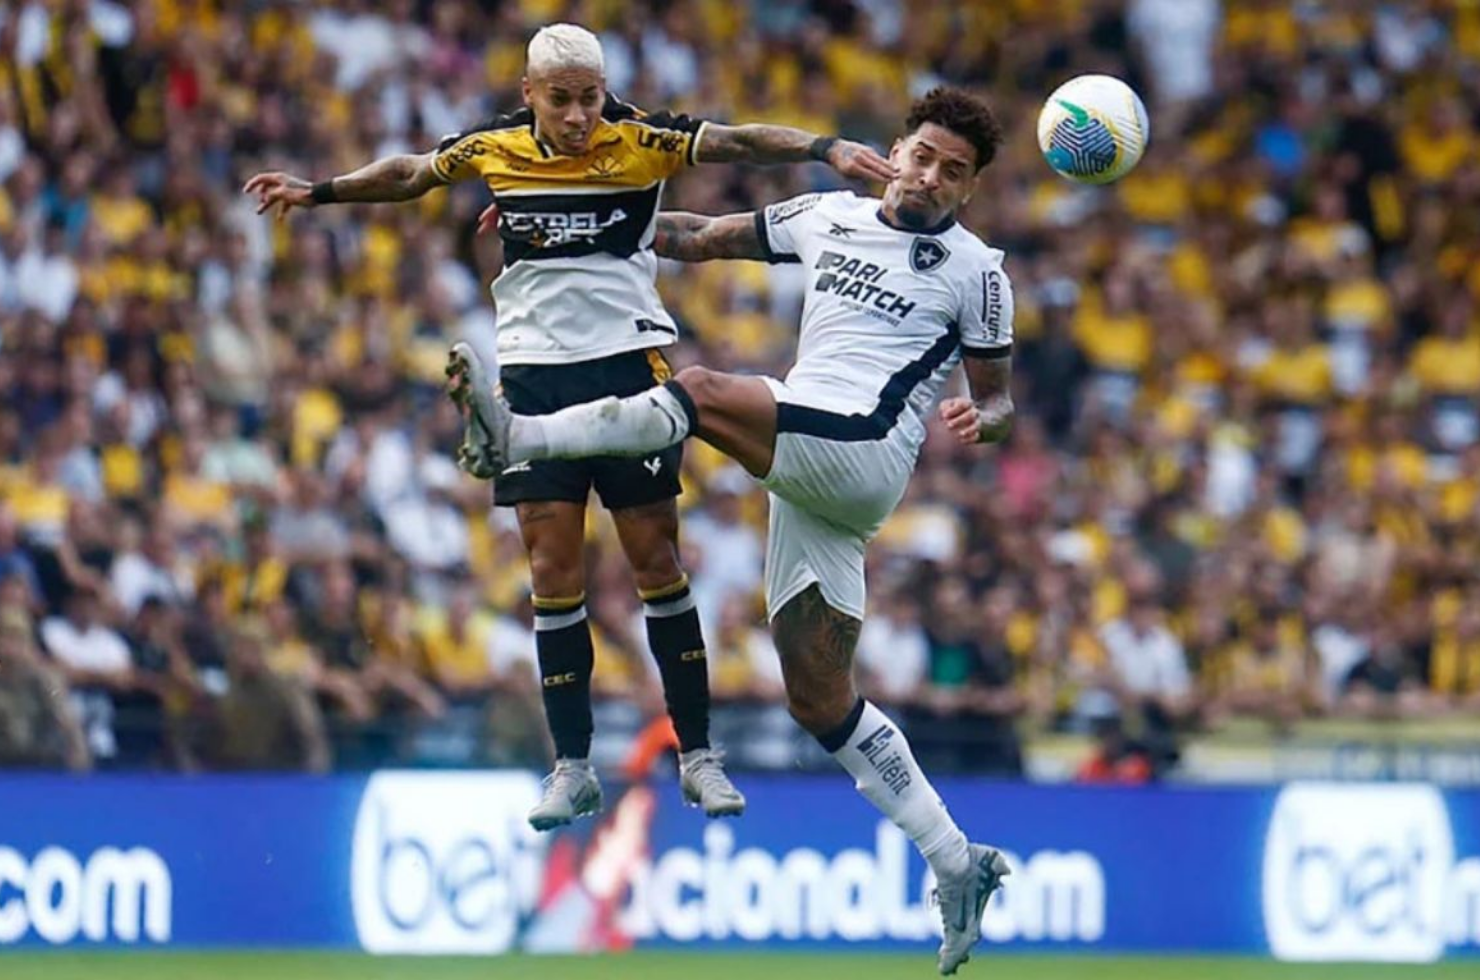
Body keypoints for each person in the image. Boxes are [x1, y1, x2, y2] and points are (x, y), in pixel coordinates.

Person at [242, 23, 893, 830]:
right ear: (529, 95)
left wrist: (826, 147)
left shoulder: (641, 139)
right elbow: (413, 173)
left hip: (631, 368)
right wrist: (322, 190)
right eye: (562, 100)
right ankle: (572, 766)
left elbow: (739, 142)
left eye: (589, 97)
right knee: (552, 574)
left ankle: (697, 755)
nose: (580, 115)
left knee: (657, 560)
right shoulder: (494, 148)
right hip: (534, 380)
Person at [451, 87, 1013, 976]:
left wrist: (992, 420)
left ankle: (520, 438)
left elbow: (1000, 395)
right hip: (808, 474)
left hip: (861, 451)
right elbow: (695, 239)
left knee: (703, 391)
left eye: (956, 171)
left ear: (970, 189)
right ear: (897, 149)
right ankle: (956, 859)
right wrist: (554, 213)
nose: (933, 177)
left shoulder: (977, 269)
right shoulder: (829, 213)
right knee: (819, 699)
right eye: (925, 155)